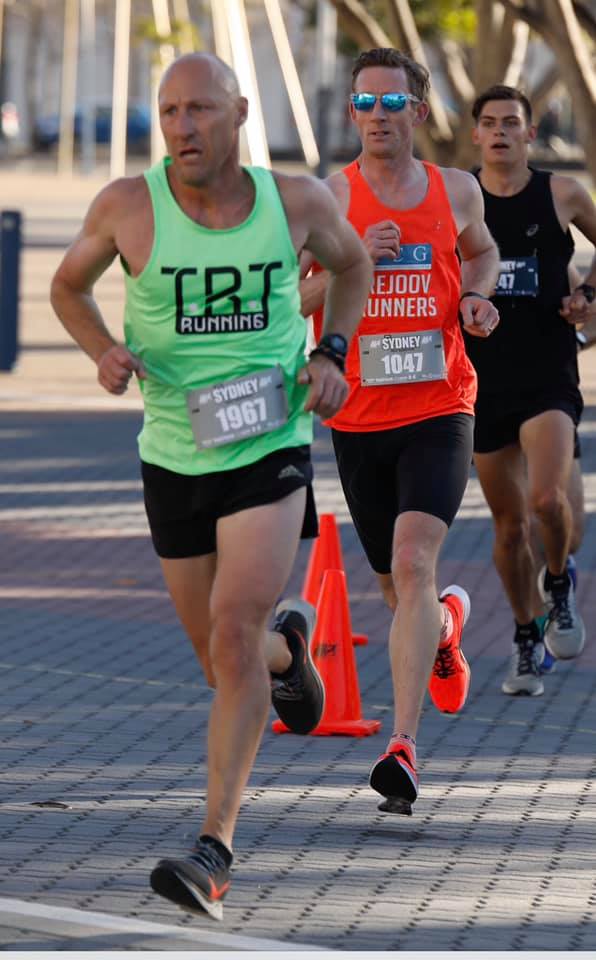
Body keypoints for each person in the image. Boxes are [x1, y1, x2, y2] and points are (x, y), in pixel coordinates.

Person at [50, 53, 372, 921]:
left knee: (231, 635)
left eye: (198, 110)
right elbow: (66, 285)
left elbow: (353, 270)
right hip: (173, 452)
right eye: (168, 112)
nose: (182, 128)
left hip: (268, 437)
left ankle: (213, 851)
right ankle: (288, 655)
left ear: (237, 114)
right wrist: (101, 351)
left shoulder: (295, 202)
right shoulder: (127, 205)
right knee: (223, 658)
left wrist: (332, 354)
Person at [300, 47, 500, 816]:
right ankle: (446, 628)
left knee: (415, 562)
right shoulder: (327, 201)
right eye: (365, 103)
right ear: (351, 112)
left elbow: (481, 255)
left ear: (419, 110)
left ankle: (403, 745)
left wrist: (478, 301)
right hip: (357, 414)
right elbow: (294, 294)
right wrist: (357, 267)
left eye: (393, 103)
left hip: (440, 404)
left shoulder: (457, 190)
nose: (378, 116)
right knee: (395, 586)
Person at [465, 84, 596, 696]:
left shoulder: (561, 194)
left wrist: (587, 297)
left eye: (510, 123)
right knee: (510, 526)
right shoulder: (458, 198)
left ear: (529, 133)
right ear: (475, 135)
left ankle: (560, 584)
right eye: (489, 123)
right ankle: (523, 634)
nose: (499, 133)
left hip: (548, 371)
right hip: (482, 379)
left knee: (548, 499)